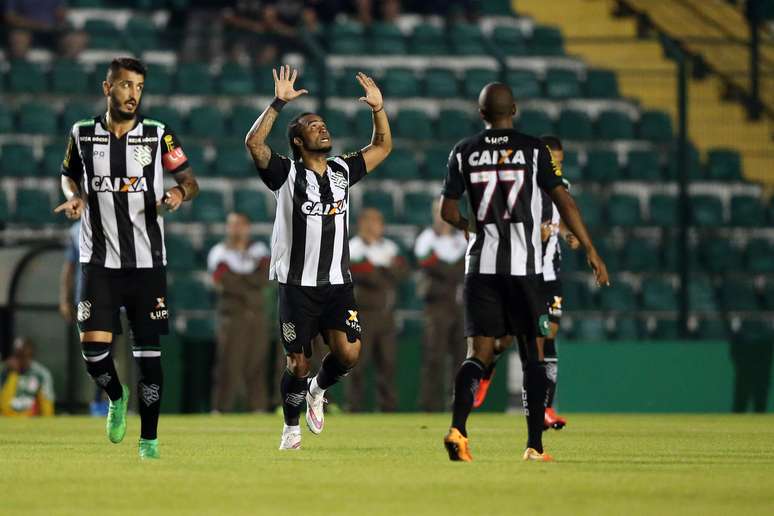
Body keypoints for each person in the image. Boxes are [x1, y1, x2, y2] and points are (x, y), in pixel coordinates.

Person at [440, 82, 608, 462]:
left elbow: (448, 213)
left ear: (481, 114)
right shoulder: (535, 150)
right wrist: (592, 250)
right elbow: (564, 201)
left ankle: (458, 429)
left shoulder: (463, 151)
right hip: (525, 267)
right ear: (513, 109)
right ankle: (534, 445)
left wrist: (475, 226)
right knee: (533, 353)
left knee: (476, 355)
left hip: (481, 265)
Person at [54, 57, 199, 459]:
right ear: (107, 88)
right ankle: (116, 397)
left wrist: (177, 194)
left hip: (147, 264)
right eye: (124, 85)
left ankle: (148, 442)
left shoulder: (158, 135)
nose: (132, 94)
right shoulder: (82, 134)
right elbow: (68, 173)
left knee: (148, 358)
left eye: (138, 86)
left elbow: (189, 179)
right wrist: (75, 197)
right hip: (98, 261)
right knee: (93, 352)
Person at [244, 65, 392, 449]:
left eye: (323, 124)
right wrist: (278, 102)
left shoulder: (343, 170)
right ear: (297, 141)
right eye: (312, 125)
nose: (321, 128)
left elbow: (382, 148)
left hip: (337, 283)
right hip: (296, 285)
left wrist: (378, 109)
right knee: (297, 363)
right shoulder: (285, 174)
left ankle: (316, 392)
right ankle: (290, 427)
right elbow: (255, 144)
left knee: (349, 353)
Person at [473, 135, 581, 432]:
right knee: (503, 340)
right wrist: (537, 236)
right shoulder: (520, 185)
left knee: (547, 338)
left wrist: (569, 235)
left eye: (559, 163)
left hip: (549, 275)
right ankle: (487, 371)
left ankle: (546, 407)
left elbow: (563, 219)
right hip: (522, 271)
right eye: (552, 162)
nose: (556, 168)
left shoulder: (563, 187)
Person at [207, 212, 272, 413]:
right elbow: (222, 281)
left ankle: (258, 408)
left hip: (257, 315)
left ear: (248, 227)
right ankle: (220, 408)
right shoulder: (218, 252)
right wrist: (249, 283)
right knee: (228, 364)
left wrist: (237, 280)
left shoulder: (259, 249)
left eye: (240, 224)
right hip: (232, 316)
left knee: (257, 363)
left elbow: (265, 277)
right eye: (232, 225)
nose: (236, 229)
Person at [347, 207, 407, 412]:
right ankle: (354, 407)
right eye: (368, 221)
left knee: (388, 363)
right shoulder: (352, 247)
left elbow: (402, 272)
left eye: (377, 222)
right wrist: (384, 271)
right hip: (361, 314)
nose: (373, 226)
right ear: (360, 224)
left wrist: (376, 270)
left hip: (386, 314)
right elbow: (361, 274)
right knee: (358, 364)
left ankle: (388, 407)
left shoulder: (390, 247)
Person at [414, 199, 468, 412]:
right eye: (437, 211)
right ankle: (429, 405)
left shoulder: (460, 239)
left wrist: (446, 270)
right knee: (434, 357)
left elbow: (466, 264)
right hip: (437, 306)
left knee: (460, 358)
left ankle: (458, 404)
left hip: (460, 305)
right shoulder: (425, 239)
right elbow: (427, 262)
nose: (441, 215)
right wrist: (455, 270)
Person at [59, 221, 109, 417]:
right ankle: (98, 399)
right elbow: (69, 267)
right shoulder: (75, 231)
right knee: (93, 354)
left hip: (112, 297)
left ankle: (103, 401)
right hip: (86, 299)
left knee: (110, 352)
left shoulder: (114, 218)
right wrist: (64, 299)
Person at [4, 0, 87, 60]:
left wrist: (61, 20)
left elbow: (61, 12)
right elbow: (10, 17)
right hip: (25, 30)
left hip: (51, 32)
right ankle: (22, 76)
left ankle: (61, 73)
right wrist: (39, 25)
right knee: (18, 39)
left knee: (78, 39)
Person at [0, 338, 55, 417]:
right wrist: (10, 374)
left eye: (23, 355)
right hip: (7, 417)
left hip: (30, 419)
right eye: (17, 356)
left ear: (30, 355)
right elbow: (4, 404)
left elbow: (47, 403)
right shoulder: (5, 372)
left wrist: (47, 420)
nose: (19, 360)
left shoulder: (41, 374)